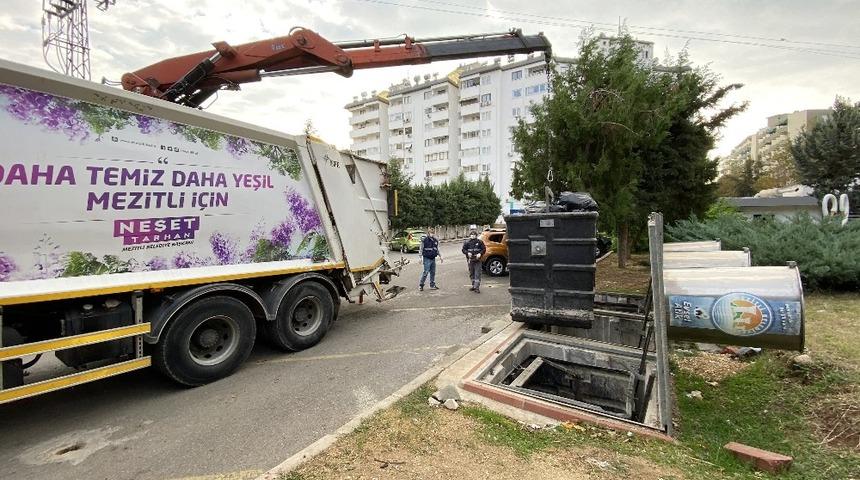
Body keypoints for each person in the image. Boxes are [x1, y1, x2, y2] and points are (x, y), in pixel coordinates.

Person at [462, 226, 486, 293]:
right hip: (470, 260)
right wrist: (467, 252)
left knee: (477, 274)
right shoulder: (467, 242)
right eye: (471, 235)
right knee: (471, 274)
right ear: (470, 236)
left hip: (478, 260)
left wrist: (480, 254)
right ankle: (473, 286)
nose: (472, 236)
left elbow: (484, 249)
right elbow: (463, 250)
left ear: (476, 235)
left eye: (474, 235)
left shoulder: (480, 242)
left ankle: (477, 287)